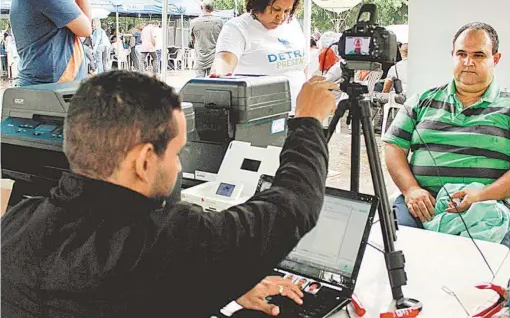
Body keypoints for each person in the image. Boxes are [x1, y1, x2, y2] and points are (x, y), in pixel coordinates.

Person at [1, 70, 339, 317]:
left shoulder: (16, 222)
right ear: (145, 160)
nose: (179, 168)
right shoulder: (168, 241)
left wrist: (221, 281)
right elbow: (294, 205)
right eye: (177, 153)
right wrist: (308, 121)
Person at [383, 22, 510, 247]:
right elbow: (394, 147)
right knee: (393, 257)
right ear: (453, 55)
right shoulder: (422, 101)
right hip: (422, 205)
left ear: (495, 59)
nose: (468, 62)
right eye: (462, 54)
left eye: (479, 55)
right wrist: (411, 189)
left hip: (486, 206)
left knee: (473, 275)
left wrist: (482, 195)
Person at [213, 0, 307, 111]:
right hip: (262, 116)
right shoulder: (238, 28)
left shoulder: (292, 25)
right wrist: (219, 73)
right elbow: (224, 63)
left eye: (287, 11)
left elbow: (303, 68)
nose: (281, 17)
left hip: (299, 112)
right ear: (260, 3)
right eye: (276, 9)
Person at [189, 0, 223, 77]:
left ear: (201, 7)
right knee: (212, 85)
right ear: (213, 9)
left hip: (199, 60)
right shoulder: (219, 22)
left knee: (199, 85)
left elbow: (192, 39)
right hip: (214, 60)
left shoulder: (193, 22)